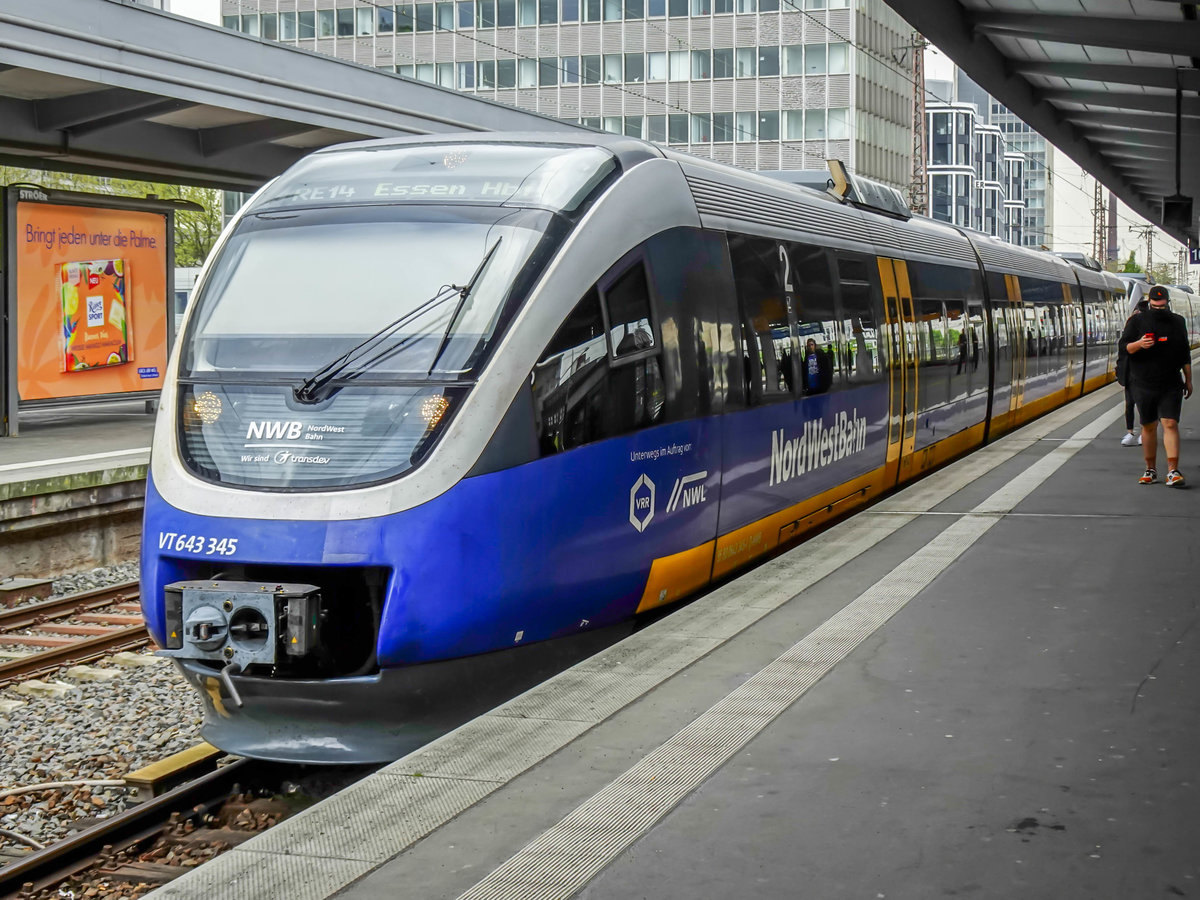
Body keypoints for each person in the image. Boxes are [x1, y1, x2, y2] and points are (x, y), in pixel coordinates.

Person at [1119, 285, 1193, 486]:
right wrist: (1139, 344)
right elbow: (1124, 347)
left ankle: (1173, 470)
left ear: (1168, 303)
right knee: (1148, 426)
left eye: (1162, 306)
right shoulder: (1137, 321)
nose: (1159, 310)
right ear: (1149, 303)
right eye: (1155, 306)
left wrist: (1189, 378)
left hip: (1170, 381)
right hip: (1143, 382)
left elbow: (1184, 352)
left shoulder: (1178, 322)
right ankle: (1150, 469)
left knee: (1170, 423)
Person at [1117, 299, 1149, 447]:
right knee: (1133, 403)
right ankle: (1134, 432)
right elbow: (1123, 348)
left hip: (1142, 372)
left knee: (1136, 404)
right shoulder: (1133, 323)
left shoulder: (1146, 324)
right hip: (1130, 372)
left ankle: (1139, 432)